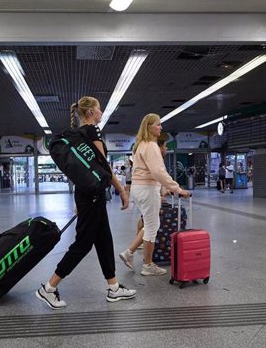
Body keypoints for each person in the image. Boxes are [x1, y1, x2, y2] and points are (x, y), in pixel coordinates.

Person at [36, 96, 136, 309]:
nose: (101, 112)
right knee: (83, 244)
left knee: (104, 240)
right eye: (99, 109)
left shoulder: (79, 135)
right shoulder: (92, 132)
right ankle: (49, 288)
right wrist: (122, 191)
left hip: (87, 194)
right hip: (92, 195)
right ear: (90, 112)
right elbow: (104, 167)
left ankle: (114, 287)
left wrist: (80, 200)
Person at [119, 114, 190, 276]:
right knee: (152, 228)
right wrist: (178, 189)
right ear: (149, 127)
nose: (161, 127)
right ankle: (148, 265)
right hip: (148, 189)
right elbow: (158, 172)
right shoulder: (151, 146)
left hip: (139, 188)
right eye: (158, 124)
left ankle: (129, 253)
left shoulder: (140, 145)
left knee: (150, 224)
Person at [128, 135, 170, 254]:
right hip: (149, 192)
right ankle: (132, 251)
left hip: (141, 190)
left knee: (146, 220)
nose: (166, 149)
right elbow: (158, 175)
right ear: (160, 147)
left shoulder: (141, 152)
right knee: (151, 224)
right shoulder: (154, 157)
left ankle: (138, 244)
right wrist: (168, 191)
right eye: (165, 146)